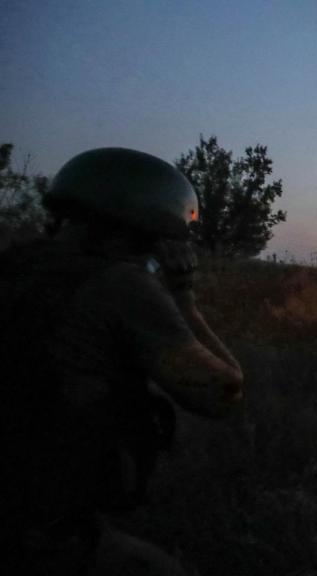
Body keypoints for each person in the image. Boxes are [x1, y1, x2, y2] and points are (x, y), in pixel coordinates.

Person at [0, 147, 244, 575]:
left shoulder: (16, 265)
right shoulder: (122, 285)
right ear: (146, 228)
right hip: (36, 526)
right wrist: (183, 294)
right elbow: (223, 394)